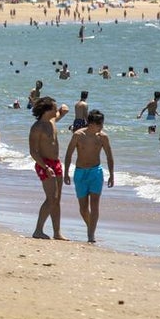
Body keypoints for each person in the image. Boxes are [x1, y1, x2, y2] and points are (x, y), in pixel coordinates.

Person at [63, 109, 115, 243]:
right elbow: (69, 154)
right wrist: (66, 173)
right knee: (83, 208)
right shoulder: (78, 135)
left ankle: (91, 235)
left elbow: (109, 156)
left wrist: (111, 175)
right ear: (92, 124)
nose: (102, 127)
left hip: (95, 173)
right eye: (101, 124)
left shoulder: (103, 137)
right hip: (80, 172)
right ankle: (90, 226)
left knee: (95, 205)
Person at [28, 96, 69, 239]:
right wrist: (45, 167)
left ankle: (57, 232)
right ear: (47, 110)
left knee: (57, 199)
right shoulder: (37, 127)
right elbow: (33, 151)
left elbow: (61, 112)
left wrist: (64, 109)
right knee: (51, 198)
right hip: (43, 164)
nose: (56, 109)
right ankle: (38, 230)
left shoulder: (52, 120)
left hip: (56, 163)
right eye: (54, 107)